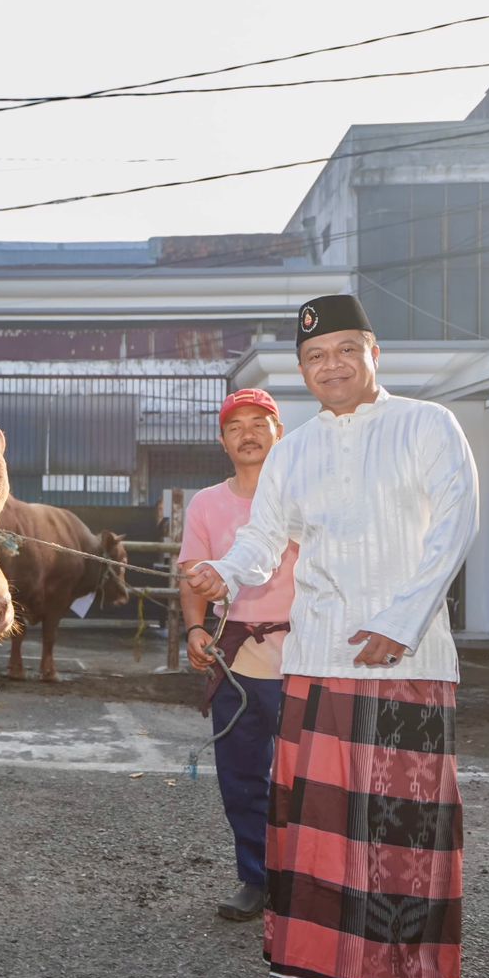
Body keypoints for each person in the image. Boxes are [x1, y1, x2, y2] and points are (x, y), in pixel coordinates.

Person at [186, 294, 482, 978]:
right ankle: (315, 966)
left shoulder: (427, 425)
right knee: (317, 833)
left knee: (413, 834)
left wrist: (402, 620)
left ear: (374, 353)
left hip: (408, 661)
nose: (332, 366)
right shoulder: (296, 451)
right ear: (303, 370)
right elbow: (262, 541)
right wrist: (224, 574)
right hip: (315, 660)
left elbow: (456, 526)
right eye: (315, 357)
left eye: (346, 350)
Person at [178, 387, 296, 923]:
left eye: (258, 423)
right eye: (235, 427)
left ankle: (308, 882)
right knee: (241, 776)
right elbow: (193, 575)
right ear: (223, 441)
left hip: (303, 655)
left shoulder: (303, 499)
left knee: (307, 777)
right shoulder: (206, 503)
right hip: (235, 658)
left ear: (279, 433)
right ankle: (256, 877)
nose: (247, 435)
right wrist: (194, 629)